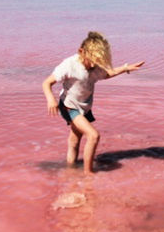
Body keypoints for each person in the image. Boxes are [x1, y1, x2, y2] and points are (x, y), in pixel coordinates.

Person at [42, 31, 144, 174]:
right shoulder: (69, 65)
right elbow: (46, 83)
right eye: (91, 60)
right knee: (93, 135)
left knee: (75, 139)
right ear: (81, 52)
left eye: (97, 62)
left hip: (84, 106)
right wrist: (50, 99)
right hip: (68, 106)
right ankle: (88, 174)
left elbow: (107, 74)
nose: (93, 65)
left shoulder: (95, 66)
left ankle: (70, 169)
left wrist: (125, 68)